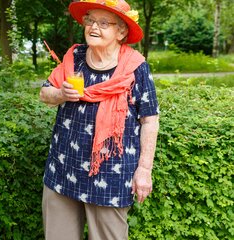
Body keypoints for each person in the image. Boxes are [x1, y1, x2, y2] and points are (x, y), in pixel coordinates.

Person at [39, 0, 159, 239]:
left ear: (121, 31)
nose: (94, 27)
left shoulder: (135, 67)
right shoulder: (76, 56)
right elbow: (45, 93)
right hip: (64, 168)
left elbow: (149, 119)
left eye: (104, 22)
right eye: (90, 20)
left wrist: (144, 169)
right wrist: (62, 94)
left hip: (111, 175)